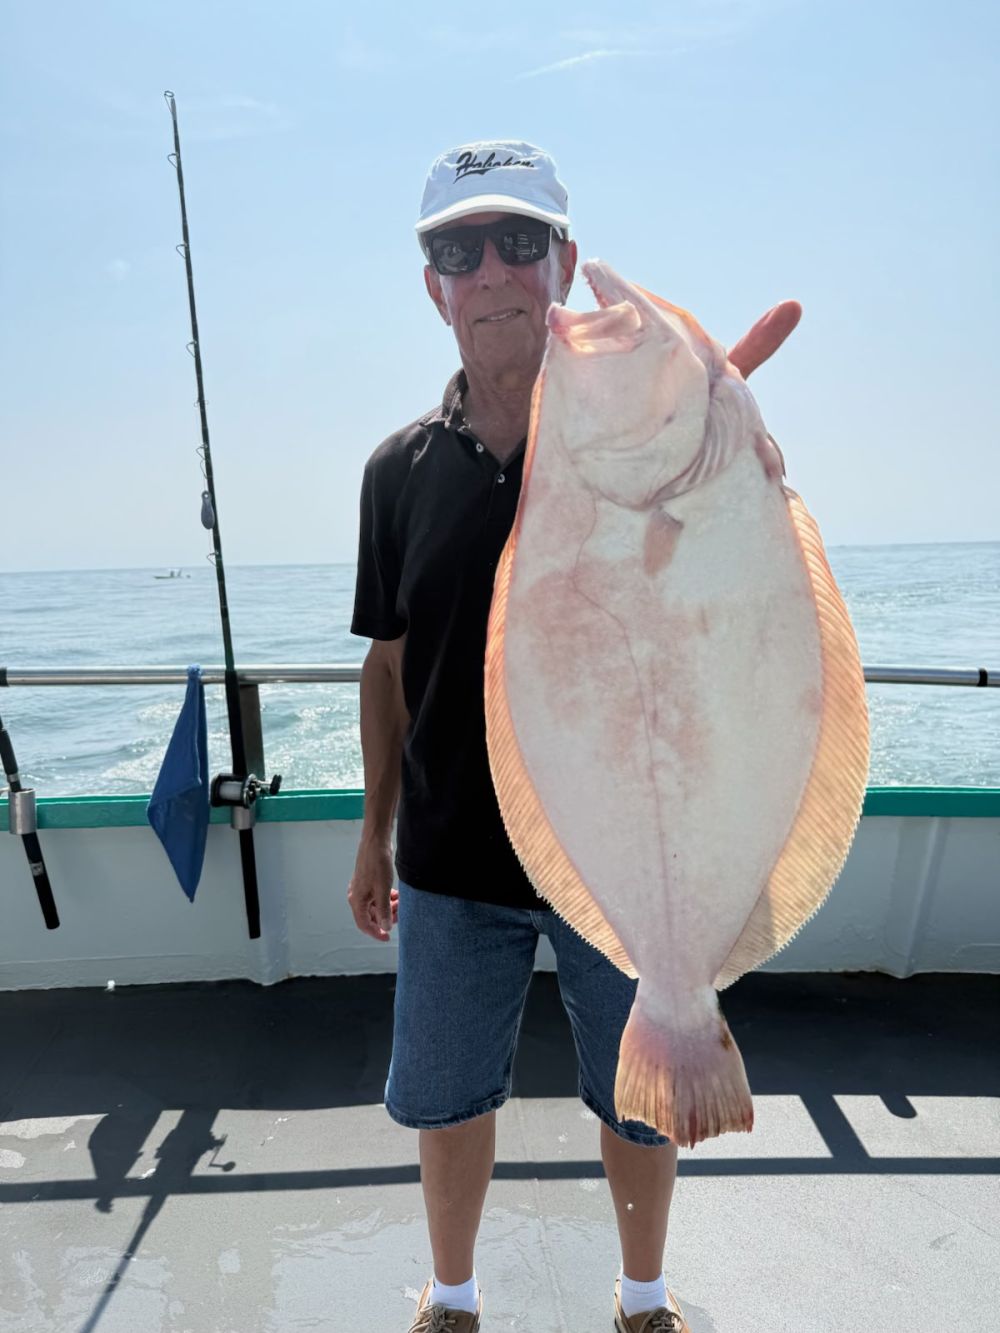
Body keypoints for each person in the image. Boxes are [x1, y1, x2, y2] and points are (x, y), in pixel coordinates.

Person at [347, 140, 800, 1333]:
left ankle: (642, 1300)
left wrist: (735, 462)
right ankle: (451, 1300)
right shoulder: (395, 472)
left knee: (640, 1092)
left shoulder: (649, 430)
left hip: (619, 855)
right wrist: (369, 837)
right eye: (458, 249)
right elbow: (386, 666)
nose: (491, 268)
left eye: (519, 241)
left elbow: (737, 619)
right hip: (449, 856)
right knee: (448, 1102)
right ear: (433, 286)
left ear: (564, 262)